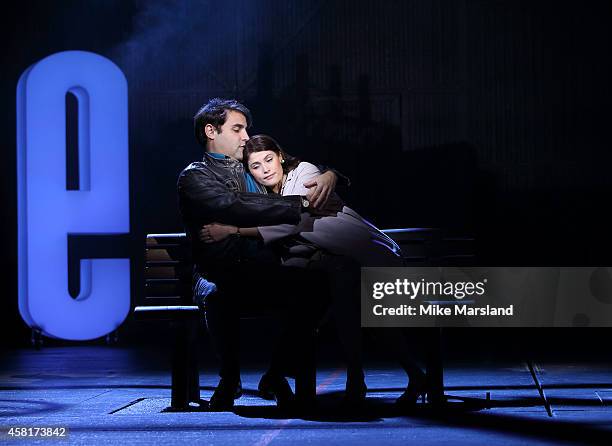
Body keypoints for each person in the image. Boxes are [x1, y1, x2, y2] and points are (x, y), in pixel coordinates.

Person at [200, 134, 427, 407]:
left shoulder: (304, 172)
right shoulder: (264, 199)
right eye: (256, 166)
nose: (265, 169)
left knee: (351, 303)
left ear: (280, 156)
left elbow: (299, 218)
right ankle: (379, 376)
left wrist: (234, 230)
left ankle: (358, 377)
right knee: (343, 305)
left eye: (269, 160)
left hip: (364, 254)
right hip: (333, 267)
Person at [177, 99, 340, 411]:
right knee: (218, 294)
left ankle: (276, 374)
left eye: (246, 129)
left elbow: (292, 166)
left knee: (318, 284)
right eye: (237, 129)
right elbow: (232, 204)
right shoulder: (195, 176)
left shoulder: (253, 164)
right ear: (211, 131)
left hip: (260, 269)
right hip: (215, 273)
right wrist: (299, 204)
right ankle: (230, 379)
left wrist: (332, 174)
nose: (245, 136)